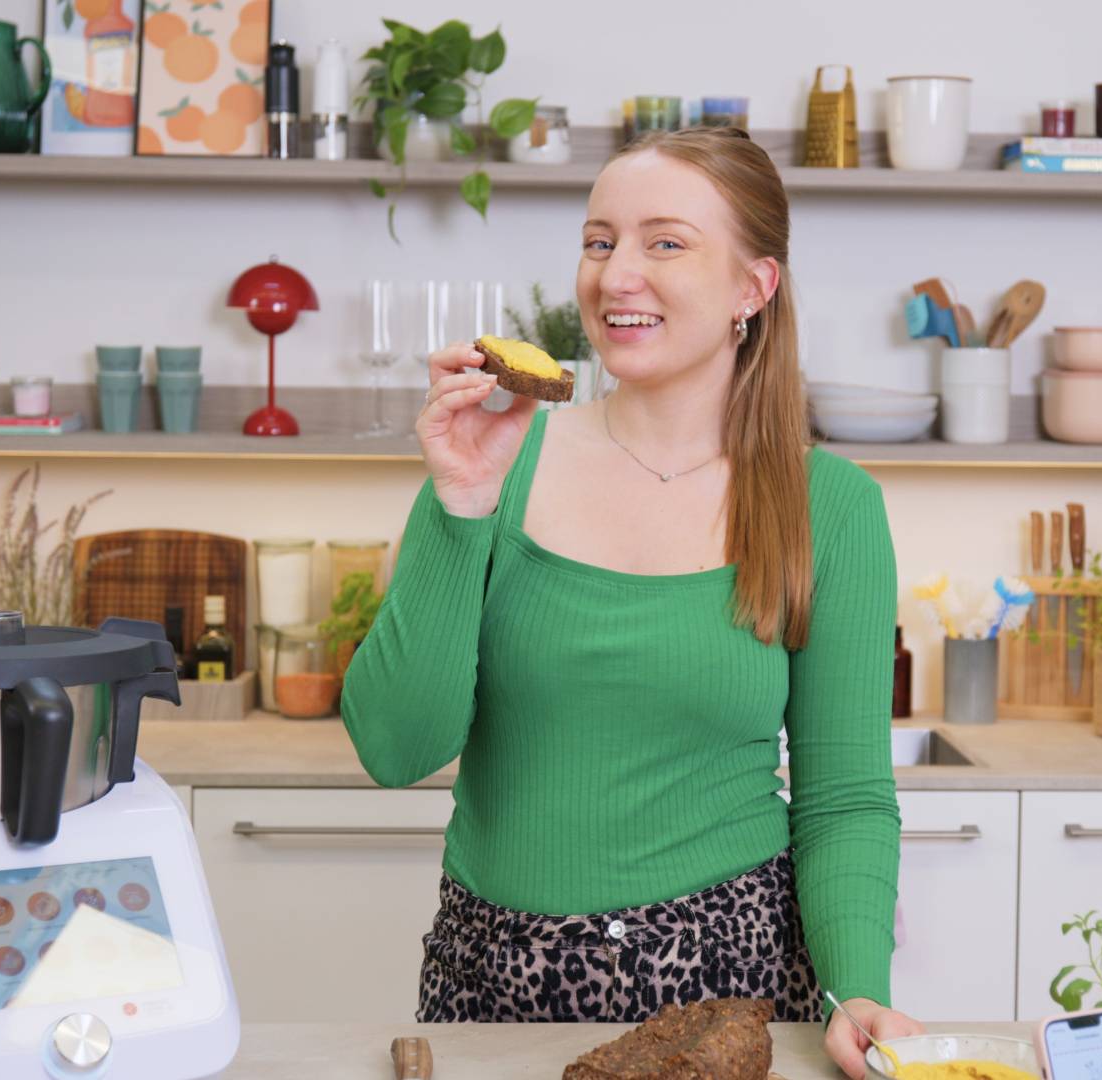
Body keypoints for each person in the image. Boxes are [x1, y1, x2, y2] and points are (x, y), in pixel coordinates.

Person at [340, 126, 923, 1077]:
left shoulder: (832, 506)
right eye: (599, 241)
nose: (617, 277)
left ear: (753, 287)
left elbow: (846, 798)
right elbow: (396, 749)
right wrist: (459, 507)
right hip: (493, 980)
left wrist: (857, 986)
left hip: (730, 991)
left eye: (666, 243)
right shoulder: (497, 459)